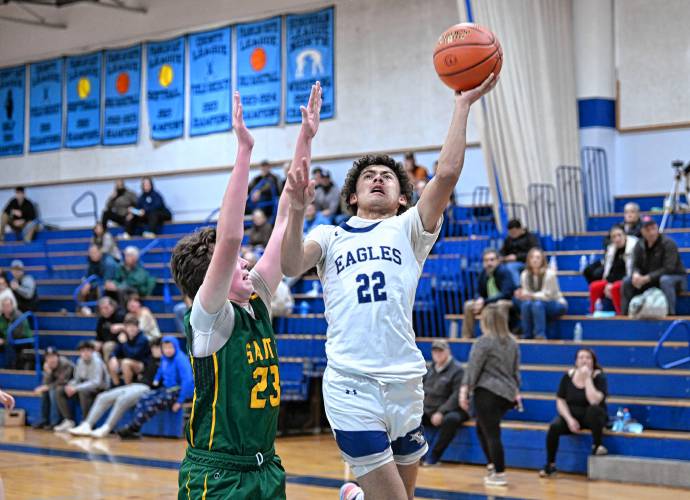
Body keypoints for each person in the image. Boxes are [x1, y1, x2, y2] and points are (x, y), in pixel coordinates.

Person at [281, 76, 497, 499]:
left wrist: (463, 104)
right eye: (368, 177)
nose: (377, 179)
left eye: (387, 177)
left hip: (405, 384)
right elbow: (289, 264)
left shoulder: (410, 229)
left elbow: (448, 172)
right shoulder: (330, 235)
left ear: (402, 197)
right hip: (351, 383)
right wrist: (293, 209)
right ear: (354, 195)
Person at [171, 92, 289, 498]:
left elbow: (283, 225)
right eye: (236, 261)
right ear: (213, 279)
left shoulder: (256, 303)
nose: (245, 263)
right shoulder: (209, 321)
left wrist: (304, 147)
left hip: (267, 466)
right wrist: (245, 151)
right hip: (218, 476)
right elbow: (230, 237)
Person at [460, 303, 521, 488]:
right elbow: (515, 371)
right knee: (482, 428)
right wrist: (516, 392)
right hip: (506, 393)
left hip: (487, 391)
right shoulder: (513, 342)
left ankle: (500, 473)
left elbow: (473, 368)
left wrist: (464, 390)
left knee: (492, 433)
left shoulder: (483, 341)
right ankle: (493, 464)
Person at [69, 338, 161, 438]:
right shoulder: (150, 359)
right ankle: (87, 425)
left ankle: (106, 428)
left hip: (146, 388)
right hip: (134, 385)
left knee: (122, 399)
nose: (156, 350)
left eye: (158, 348)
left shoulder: (167, 362)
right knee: (103, 397)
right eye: (154, 348)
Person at [540, 349, 608, 477]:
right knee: (554, 426)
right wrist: (569, 419)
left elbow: (594, 400)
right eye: (581, 358)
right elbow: (560, 400)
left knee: (594, 411)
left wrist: (587, 378)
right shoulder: (567, 377)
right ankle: (550, 464)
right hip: (573, 416)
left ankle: (597, 445)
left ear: (593, 362)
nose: (584, 360)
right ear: (576, 362)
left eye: (588, 358)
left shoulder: (599, 377)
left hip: (592, 418)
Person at [117, 336, 193, 439]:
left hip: (181, 392)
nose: (168, 350)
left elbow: (187, 381)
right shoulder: (164, 359)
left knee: (152, 403)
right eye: (165, 348)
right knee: (144, 398)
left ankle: (133, 427)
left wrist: (180, 401)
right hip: (167, 390)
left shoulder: (181, 360)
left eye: (170, 348)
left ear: (176, 347)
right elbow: (160, 370)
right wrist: (156, 381)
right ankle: (135, 430)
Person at [622, 216, 686, 315]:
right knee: (627, 281)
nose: (651, 232)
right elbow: (635, 265)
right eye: (648, 230)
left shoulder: (669, 243)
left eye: (653, 228)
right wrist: (636, 274)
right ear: (642, 232)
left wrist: (647, 278)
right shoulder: (639, 245)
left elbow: (669, 268)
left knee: (665, 280)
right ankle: (626, 316)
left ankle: (670, 315)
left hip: (675, 278)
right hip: (650, 279)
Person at [421, 339, 468, 466]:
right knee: (410, 417)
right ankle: (417, 455)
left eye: (440, 351)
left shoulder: (458, 370)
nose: (437, 354)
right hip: (430, 409)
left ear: (448, 351)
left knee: (451, 420)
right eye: (435, 351)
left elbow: (456, 396)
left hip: (453, 409)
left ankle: (434, 457)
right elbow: (421, 390)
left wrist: (441, 412)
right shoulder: (430, 369)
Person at [53, 341, 109, 432]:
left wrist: (76, 388)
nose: (85, 353)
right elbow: (76, 379)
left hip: (101, 388)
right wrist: (70, 386)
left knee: (83, 392)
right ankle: (68, 420)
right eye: (83, 351)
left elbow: (96, 382)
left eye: (88, 350)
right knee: (60, 390)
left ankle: (88, 423)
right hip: (85, 386)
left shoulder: (97, 361)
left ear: (92, 351)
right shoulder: (80, 361)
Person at [514, 248, 567, 339]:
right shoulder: (524, 274)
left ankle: (540, 335)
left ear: (542, 260)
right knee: (525, 304)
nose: (535, 260)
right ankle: (527, 335)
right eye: (532, 257)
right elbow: (526, 291)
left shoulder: (550, 274)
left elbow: (548, 295)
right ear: (528, 260)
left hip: (555, 303)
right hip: (535, 303)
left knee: (537, 305)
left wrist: (531, 295)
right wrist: (521, 294)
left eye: (538, 257)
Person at [461, 249, 516, 338]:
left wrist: (484, 302)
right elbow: (477, 291)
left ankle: (495, 337)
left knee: (495, 306)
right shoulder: (483, 273)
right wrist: (479, 300)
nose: (489, 263)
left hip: (506, 302)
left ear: (498, 261)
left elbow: (506, 294)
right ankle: (466, 337)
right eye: (486, 260)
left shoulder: (504, 272)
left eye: (492, 260)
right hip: (487, 301)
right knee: (468, 305)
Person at [589, 225, 637, 315]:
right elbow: (609, 271)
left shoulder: (634, 247)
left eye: (619, 235)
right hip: (612, 281)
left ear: (625, 235)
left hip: (628, 280)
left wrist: (611, 284)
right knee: (594, 286)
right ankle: (593, 314)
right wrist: (607, 282)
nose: (617, 239)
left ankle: (621, 315)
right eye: (614, 237)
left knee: (615, 288)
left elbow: (629, 272)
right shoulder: (611, 250)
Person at [33, 347, 75, 429]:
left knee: (53, 391)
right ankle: (44, 419)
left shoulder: (65, 364)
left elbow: (62, 381)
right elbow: (46, 383)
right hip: (58, 385)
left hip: (70, 384)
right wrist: (48, 372)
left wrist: (47, 387)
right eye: (48, 357)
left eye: (53, 356)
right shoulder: (48, 366)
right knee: (45, 392)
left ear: (57, 356)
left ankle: (55, 421)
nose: (51, 359)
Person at [108, 313, 151, 386]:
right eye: (129, 327)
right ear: (125, 328)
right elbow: (115, 352)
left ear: (137, 327)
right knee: (112, 361)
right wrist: (113, 357)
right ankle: (116, 385)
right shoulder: (125, 336)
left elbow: (133, 354)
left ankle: (127, 387)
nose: (131, 329)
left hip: (143, 365)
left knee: (125, 362)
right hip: (129, 361)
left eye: (133, 327)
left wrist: (124, 343)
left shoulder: (143, 339)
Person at [499, 219, 541, 287]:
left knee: (511, 267)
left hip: (525, 262)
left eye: (514, 232)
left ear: (520, 229)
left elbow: (534, 252)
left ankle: (518, 288)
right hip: (509, 262)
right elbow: (503, 251)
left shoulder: (530, 237)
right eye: (510, 233)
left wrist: (516, 257)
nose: (512, 234)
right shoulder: (508, 239)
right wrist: (501, 257)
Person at [77, 245, 117, 314]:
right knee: (82, 286)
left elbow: (106, 281)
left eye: (94, 252)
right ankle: (81, 310)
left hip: (112, 283)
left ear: (100, 252)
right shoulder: (91, 261)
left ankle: (99, 313)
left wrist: (91, 284)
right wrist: (86, 283)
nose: (92, 255)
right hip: (97, 282)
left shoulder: (109, 263)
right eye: (90, 253)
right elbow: (87, 276)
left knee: (99, 289)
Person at [0, 297, 33, 369]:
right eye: (4, 306)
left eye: (8, 306)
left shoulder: (18, 316)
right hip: (8, 340)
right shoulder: (1, 318)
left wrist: (4, 341)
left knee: (9, 345)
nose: (6, 308)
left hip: (24, 340)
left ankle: (9, 369)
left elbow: (18, 334)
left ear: (12, 306)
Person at [94, 296, 126, 361]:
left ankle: (107, 370)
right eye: (101, 309)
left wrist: (122, 326)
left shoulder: (121, 314)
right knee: (92, 346)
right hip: (105, 342)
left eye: (106, 308)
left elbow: (132, 327)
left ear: (113, 306)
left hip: (119, 344)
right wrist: (98, 343)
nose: (104, 311)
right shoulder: (101, 319)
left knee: (107, 346)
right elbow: (98, 336)